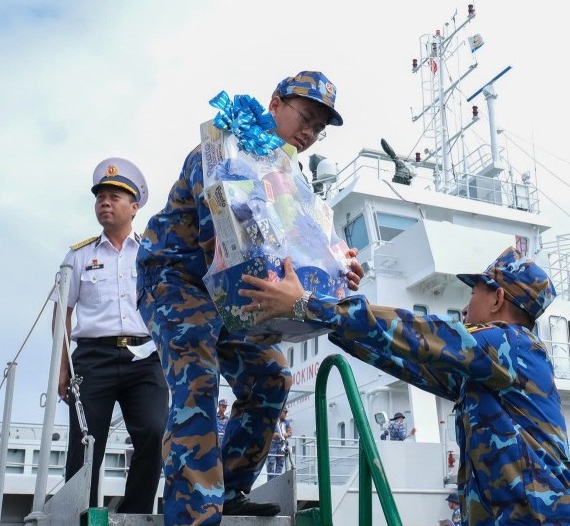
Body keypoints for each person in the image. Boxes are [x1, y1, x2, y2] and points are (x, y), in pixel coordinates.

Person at [136, 70, 364, 524]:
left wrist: (337, 267)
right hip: (178, 279)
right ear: (276, 102)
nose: (311, 132)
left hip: (237, 292)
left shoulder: (290, 177)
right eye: (307, 117)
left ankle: (231, 490)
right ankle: (194, 515)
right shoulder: (223, 148)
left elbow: (296, 245)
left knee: (273, 377)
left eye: (319, 127)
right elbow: (222, 238)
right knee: (197, 372)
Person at [240, 246, 570, 525]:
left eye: (475, 293)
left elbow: (419, 332)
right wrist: (327, 319)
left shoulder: (510, 344)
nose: (466, 307)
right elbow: (406, 359)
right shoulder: (489, 368)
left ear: (497, 299)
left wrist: (308, 304)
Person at [52, 158, 168, 513]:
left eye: (115, 196)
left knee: (152, 432)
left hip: (145, 358)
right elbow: (63, 314)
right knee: (86, 443)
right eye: (101, 195)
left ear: (134, 207)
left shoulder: (154, 254)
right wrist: (62, 367)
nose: (105, 201)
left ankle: (135, 513)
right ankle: (82, 515)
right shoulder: (78, 256)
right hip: (92, 358)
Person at [266, 407, 292, 481]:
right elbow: (268, 432)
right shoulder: (273, 421)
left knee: (280, 463)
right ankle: (271, 480)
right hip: (273, 444)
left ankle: (277, 480)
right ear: (280, 412)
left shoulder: (286, 422)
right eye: (285, 412)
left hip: (282, 444)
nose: (286, 414)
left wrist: (288, 434)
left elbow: (290, 432)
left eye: (286, 412)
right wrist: (276, 435)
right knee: (271, 462)